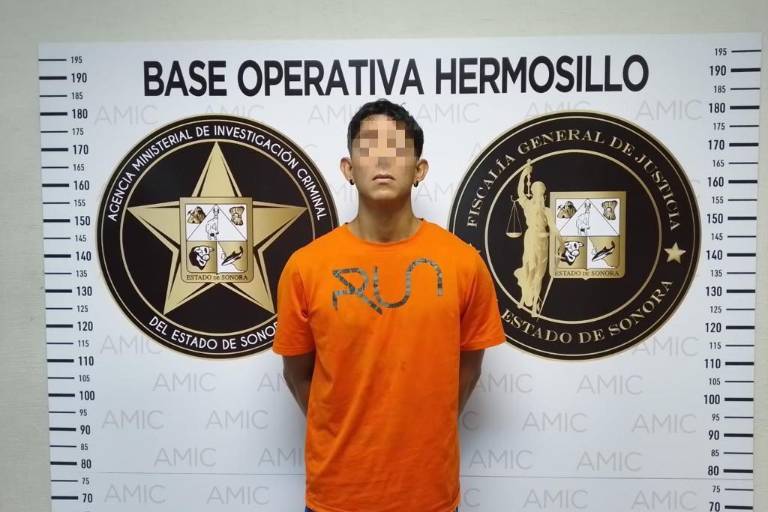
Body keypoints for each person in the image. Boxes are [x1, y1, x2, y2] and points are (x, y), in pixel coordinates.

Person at [273, 99, 506, 512]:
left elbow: (468, 370)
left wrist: (421, 433)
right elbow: (297, 375)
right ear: (348, 169)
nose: (382, 158)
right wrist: (348, 431)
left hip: (429, 496)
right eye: (368, 147)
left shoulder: (463, 263)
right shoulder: (305, 267)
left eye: (397, 148)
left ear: (420, 170)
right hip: (336, 496)